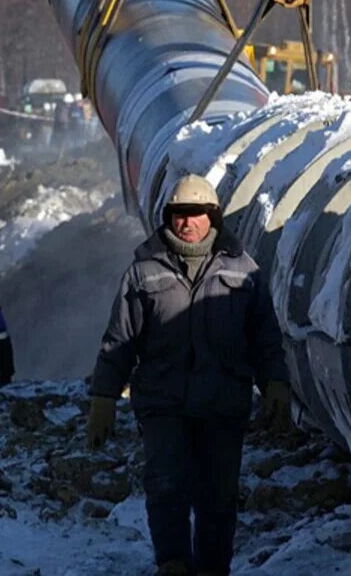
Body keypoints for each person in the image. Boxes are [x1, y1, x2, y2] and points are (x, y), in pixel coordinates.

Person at [86, 174, 290, 576]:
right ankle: (173, 563)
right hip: (163, 403)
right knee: (165, 484)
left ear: (212, 217)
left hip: (222, 403)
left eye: (196, 214)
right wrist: (103, 397)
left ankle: (213, 568)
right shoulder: (143, 272)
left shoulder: (244, 270)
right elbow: (120, 340)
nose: (187, 223)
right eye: (179, 214)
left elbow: (264, 335)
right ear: (168, 218)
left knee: (218, 496)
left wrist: (276, 383)